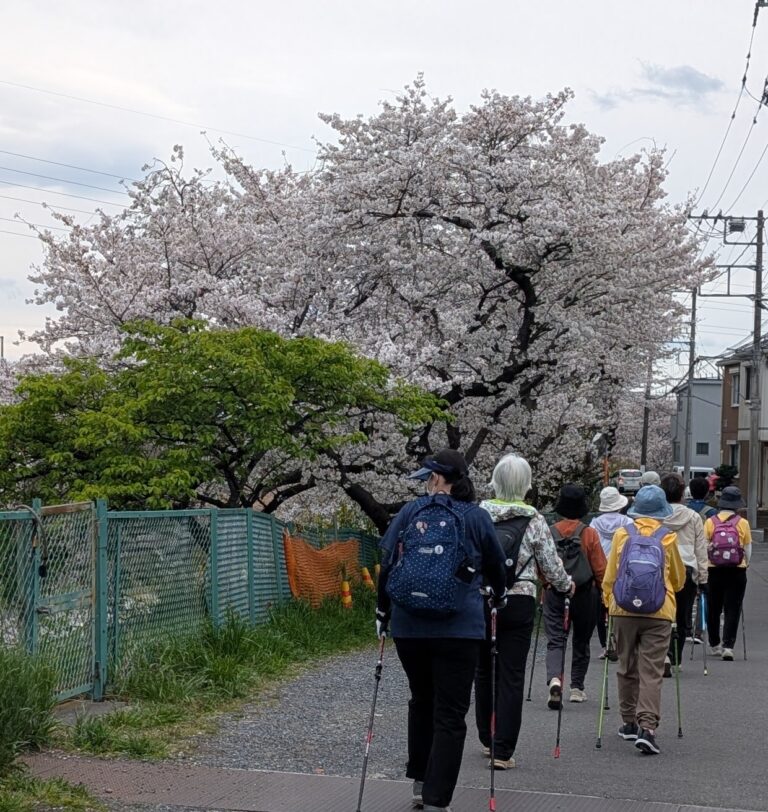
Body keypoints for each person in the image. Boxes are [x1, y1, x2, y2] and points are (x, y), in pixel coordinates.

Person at [376, 449, 506, 812]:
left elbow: (387, 562)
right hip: (459, 628)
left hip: (409, 626)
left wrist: (382, 609)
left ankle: (419, 780)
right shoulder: (476, 517)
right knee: (450, 713)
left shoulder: (409, 513)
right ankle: (437, 799)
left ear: (436, 479)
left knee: (422, 700)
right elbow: (497, 565)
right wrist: (499, 594)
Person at [474, 453, 574, 770]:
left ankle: (486, 737)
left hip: (482, 598)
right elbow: (550, 565)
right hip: (519, 600)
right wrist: (566, 585)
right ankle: (502, 751)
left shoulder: (478, 515)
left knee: (483, 670)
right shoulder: (534, 519)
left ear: (495, 481)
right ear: (527, 485)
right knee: (512, 675)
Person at [602, 485, 685, 755]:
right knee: (651, 670)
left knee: (626, 666)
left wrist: (609, 604)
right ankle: (647, 727)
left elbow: (611, 574)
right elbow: (677, 579)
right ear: (662, 512)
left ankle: (627, 722)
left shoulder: (622, 535)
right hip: (659, 612)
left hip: (624, 610)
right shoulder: (668, 538)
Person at [544, 484, 606, 706]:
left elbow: (541, 567)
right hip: (584, 594)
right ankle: (577, 688)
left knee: (555, 641)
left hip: (555, 593)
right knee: (581, 641)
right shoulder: (589, 533)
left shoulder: (549, 532)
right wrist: (605, 596)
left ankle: (554, 680)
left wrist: (547, 585)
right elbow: (600, 569)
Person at [659, 472, 708, 674]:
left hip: (662, 567)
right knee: (682, 614)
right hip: (687, 567)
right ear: (682, 493)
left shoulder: (659, 516)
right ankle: (675, 658)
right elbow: (701, 549)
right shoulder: (694, 517)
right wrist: (703, 577)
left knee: (661, 612)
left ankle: (663, 654)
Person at [703, 486, 752, 661]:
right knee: (733, 607)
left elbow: (704, 546)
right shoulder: (743, 523)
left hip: (713, 569)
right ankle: (728, 646)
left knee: (713, 607)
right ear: (737, 505)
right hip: (737, 570)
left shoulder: (710, 522)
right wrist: (745, 563)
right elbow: (747, 548)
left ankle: (714, 643)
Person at [589, 486, 633, 658]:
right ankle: (620, 643)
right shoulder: (627, 523)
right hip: (620, 567)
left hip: (600, 568)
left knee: (601, 607)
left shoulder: (594, 523)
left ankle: (605, 644)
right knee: (620, 605)